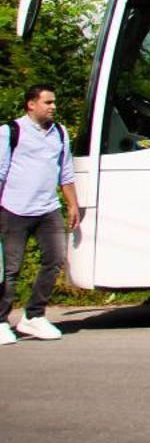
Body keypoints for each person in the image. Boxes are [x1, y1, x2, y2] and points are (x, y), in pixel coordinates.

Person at [0, 84, 82, 344]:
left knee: (55, 260)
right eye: (47, 102)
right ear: (31, 104)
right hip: (14, 209)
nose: (53, 107)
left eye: (54, 102)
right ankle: (1, 320)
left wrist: (71, 204)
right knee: (11, 269)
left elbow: (65, 171)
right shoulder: (10, 132)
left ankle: (33, 316)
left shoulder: (59, 132)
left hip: (47, 209)